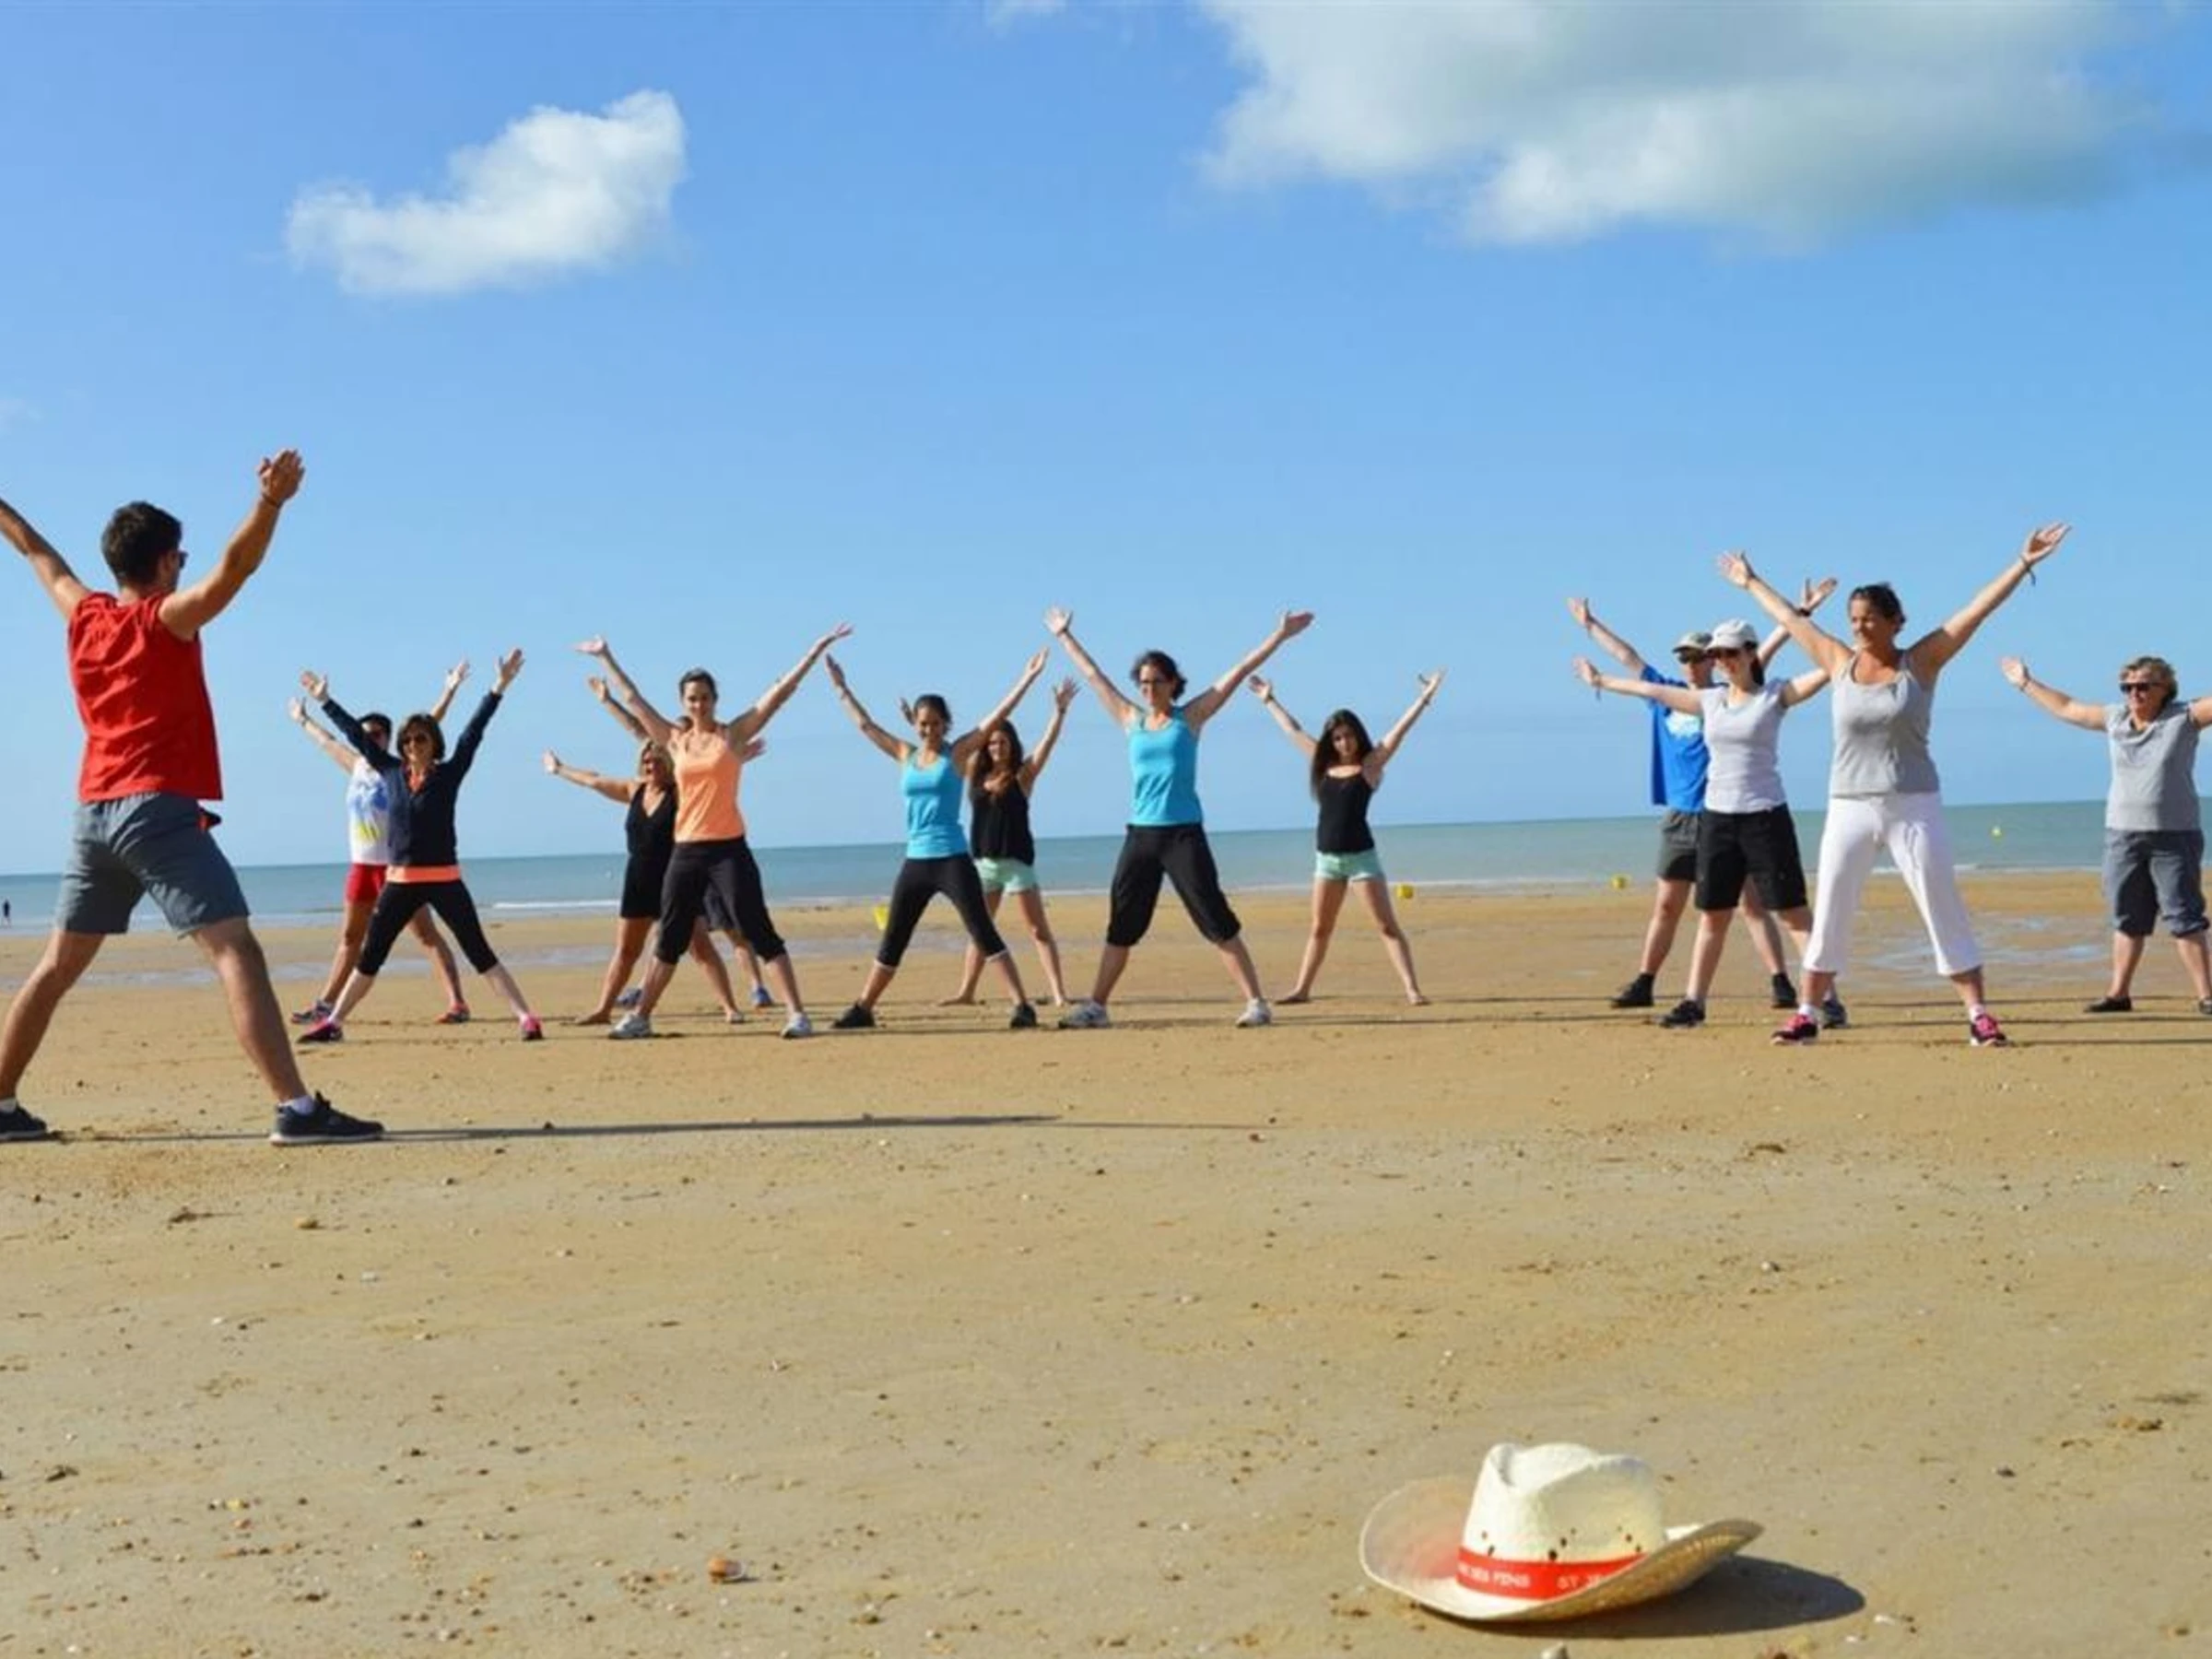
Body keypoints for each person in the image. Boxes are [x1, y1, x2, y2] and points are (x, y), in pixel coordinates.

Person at [0, 451, 382, 1146]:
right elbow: (235, 570)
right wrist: (270, 504)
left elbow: (36, 552)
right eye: (180, 556)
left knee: (57, 966)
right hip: (155, 809)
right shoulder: (165, 620)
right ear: (164, 562)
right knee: (236, 950)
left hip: (94, 814)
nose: (184, 565)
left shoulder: (84, 616)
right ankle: (296, 1110)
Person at [1723, 524, 2071, 1046]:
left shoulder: (1921, 662)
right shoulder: (1838, 661)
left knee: (1940, 903)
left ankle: (1978, 1014)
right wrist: (1751, 581)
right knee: (1832, 905)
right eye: (1854, 619)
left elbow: (1974, 612)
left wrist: (2023, 564)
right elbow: (1791, 621)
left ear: (1895, 622)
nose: (1860, 627)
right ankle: (1808, 1013)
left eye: (1869, 618)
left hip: (1913, 803)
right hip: (1849, 804)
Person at [1046, 605, 1312, 1029]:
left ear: (1173, 683)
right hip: (1141, 835)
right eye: (1143, 682)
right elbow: (1094, 675)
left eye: (1157, 681)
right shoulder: (1130, 719)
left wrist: (1278, 636)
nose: (1149, 688)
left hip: (1183, 835)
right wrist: (1064, 636)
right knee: (1122, 924)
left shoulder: (1190, 718)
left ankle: (1257, 1003)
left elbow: (1239, 670)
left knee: (1215, 916)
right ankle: (1097, 1007)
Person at [578, 626, 851, 1040]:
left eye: (705, 697)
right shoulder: (674, 740)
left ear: (715, 699)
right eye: (692, 698)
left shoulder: (732, 734)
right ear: (683, 702)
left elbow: (778, 694)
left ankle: (797, 1014)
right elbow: (634, 700)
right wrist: (606, 657)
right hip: (686, 850)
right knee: (670, 938)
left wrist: (814, 651)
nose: (699, 704)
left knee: (757, 929)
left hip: (728, 850)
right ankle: (641, 1017)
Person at [1567, 591, 1832, 1014]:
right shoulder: (1696, 699)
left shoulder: (1756, 694)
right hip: (1702, 818)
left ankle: (1802, 989)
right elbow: (1639, 675)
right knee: (1695, 910)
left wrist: (1799, 616)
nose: (1700, 662)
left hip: (1756, 815)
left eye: (1708, 655)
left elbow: (1794, 658)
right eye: (1692, 656)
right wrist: (1595, 655)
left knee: (1769, 909)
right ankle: (1672, 992)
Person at [294, 653, 544, 1044]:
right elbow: (355, 736)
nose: (413, 745)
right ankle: (334, 1022)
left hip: (445, 880)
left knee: (478, 951)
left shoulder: (449, 773)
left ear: (433, 743)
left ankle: (526, 1017)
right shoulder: (390, 771)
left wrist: (498, 687)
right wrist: (326, 701)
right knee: (371, 955)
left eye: (420, 739)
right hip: (399, 883)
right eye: (407, 740)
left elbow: (474, 731)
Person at [821, 653, 1051, 1030]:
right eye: (923, 724)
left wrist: (1028, 678)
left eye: (935, 723)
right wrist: (841, 687)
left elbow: (996, 716)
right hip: (916, 860)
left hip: (951, 858)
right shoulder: (905, 754)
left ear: (946, 725)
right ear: (915, 724)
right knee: (894, 936)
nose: (929, 730)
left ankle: (1022, 1006)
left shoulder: (956, 754)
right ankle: (864, 1008)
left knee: (981, 930)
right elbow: (866, 726)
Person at [1999, 652, 2212, 1015]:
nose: (2134, 693)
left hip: (2174, 836)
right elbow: (2068, 708)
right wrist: (2025, 683)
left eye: (2143, 686)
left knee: (2184, 916)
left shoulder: (2183, 718)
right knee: (2127, 917)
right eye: (2127, 687)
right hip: (2122, 836)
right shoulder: (2115, 718)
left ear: (2165, 688)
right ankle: (2118, 994)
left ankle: (2206, 996)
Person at [286, 665, 473, 1026]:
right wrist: (303, 719)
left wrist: (449, 691)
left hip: (398, 868)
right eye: (365, 733)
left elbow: (428, 724)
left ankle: (457, 1003)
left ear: (389, 739)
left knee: (426, 935)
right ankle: (325, 1005)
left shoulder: (400, 768)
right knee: (350, 937)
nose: (369, 737)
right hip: (361, 866)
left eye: (376, 733)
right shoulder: (356, 765)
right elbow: (328, 740)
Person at [1246, 669, 1444, 1005]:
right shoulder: (1322, 765)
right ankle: (1302, 990)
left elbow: (1399, 731)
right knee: (1320, 928)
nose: (1344, 742)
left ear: (1358, 736)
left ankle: (1412, 989)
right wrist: (1269, 700)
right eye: (1337, 738)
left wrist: (1425, 698)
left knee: (1386, 926)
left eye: (1349, 736)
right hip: (1327, 862)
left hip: (1362, 860)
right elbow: (1293, 730)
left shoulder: (1370, 766)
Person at [586, 674, 774, 1011]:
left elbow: (717, 766)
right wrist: (607, 700)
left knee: (730, 930)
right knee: (676, 939)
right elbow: (636, 726)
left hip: (711, 851)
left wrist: (737, 758)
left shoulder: (686, 772)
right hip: (683, 862)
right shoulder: (669, 759)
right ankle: (643, 993)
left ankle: (754, 988)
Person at [543, 739, 755, 1025]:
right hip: (638, 881)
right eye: (646, 761)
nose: (651, 766)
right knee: (626, 951)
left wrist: (734, 760)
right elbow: (593, 780)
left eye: (657, 761)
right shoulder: (635, 790)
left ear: (669, 763)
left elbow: (710, 784)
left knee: (700, 948)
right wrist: (559, 769)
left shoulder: (680, 793)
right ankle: (603, 1010)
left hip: (675, 880)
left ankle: (730, 1007)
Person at [939, 677, 1079, 1008]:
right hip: (984, 865)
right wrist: (918, 729)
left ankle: (1059, 993)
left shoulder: (1022, 776)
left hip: (1017, 864)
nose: (996, 747)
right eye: (992, 743)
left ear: (1012, 745)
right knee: (980, 929)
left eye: (1002, 742)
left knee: (1037, 930)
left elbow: (1047, 744)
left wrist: (1059, 712)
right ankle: (967, 992)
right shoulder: (975, 774)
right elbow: (950, 751)